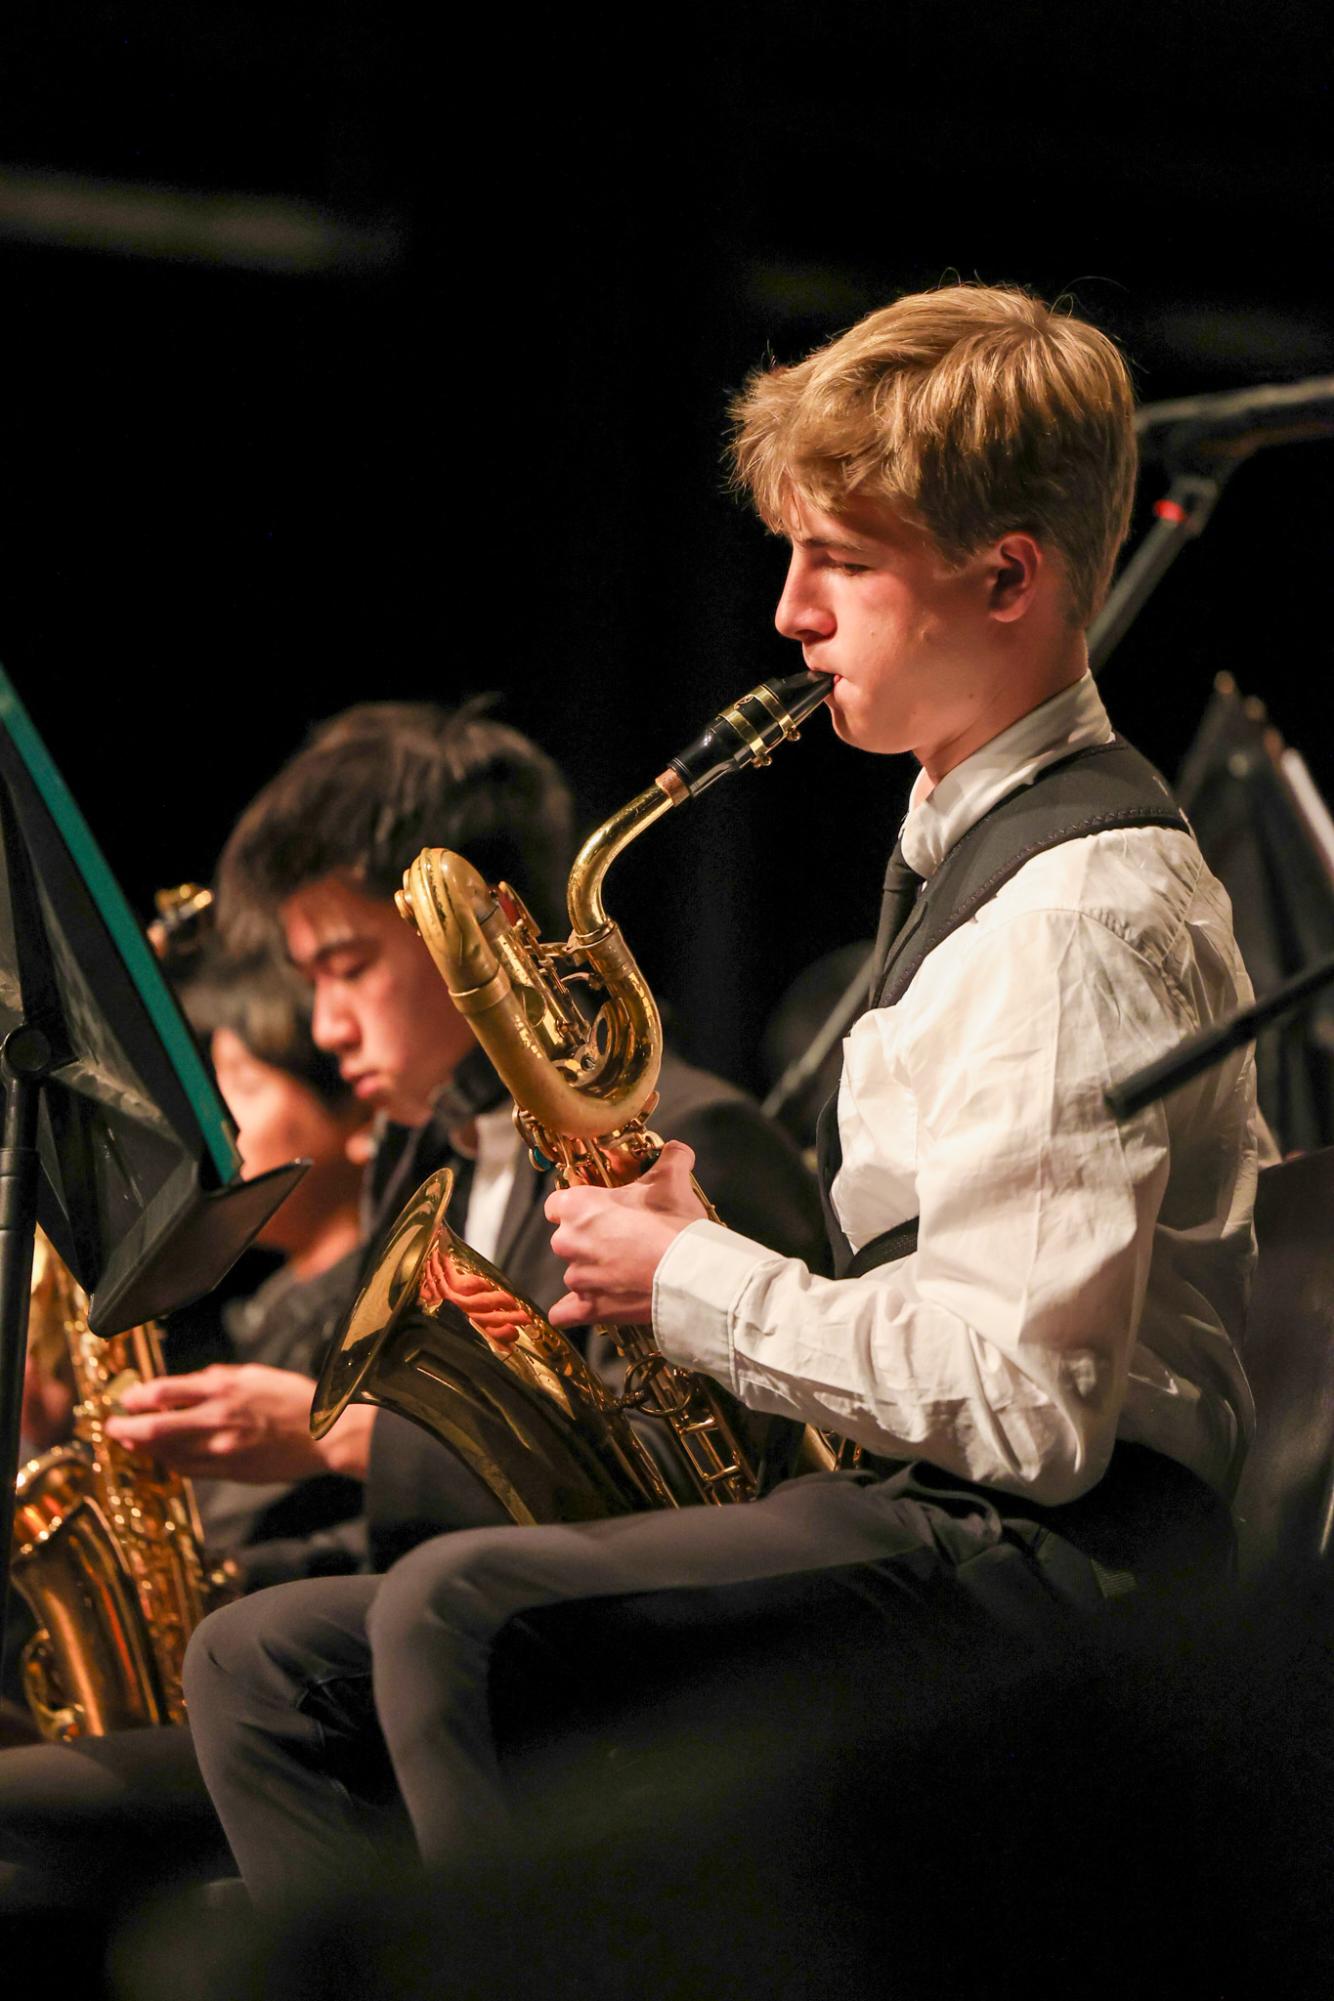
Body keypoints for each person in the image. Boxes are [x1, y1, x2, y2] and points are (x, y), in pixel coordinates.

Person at [177, 284, 1262, 1926]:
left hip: (1056, 1572)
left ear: (1006, 577)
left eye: (835, 559)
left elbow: (1028, 1413)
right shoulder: (969, 854)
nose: (784, 613)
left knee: (452, 1613)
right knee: (263, 1658)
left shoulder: (1076, 912)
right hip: (946, 1527)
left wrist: (693, 1284)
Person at [0, 700, 824, 1909]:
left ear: (476, 923)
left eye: (347, 967)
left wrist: (342, 1436)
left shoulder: (690, 1138)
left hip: (579, 1697)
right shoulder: (426, 1157)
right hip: (422, 1660)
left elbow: (697, 1493)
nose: (327, 1028)